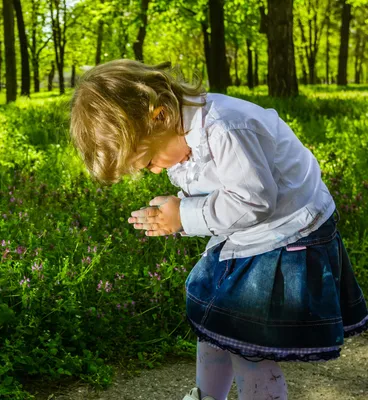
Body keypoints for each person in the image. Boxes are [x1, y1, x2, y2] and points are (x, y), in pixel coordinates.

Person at [69, 59, 368, 400]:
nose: (154, 171)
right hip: (249, 237)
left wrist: (184, 215)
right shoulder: (181, 137)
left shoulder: (227, 128)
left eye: (149, 161)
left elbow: (254, 201)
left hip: (289, 237)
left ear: (161, 116)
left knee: (248, 347)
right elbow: (217, 195)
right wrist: (174, 213)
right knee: (214, 326)